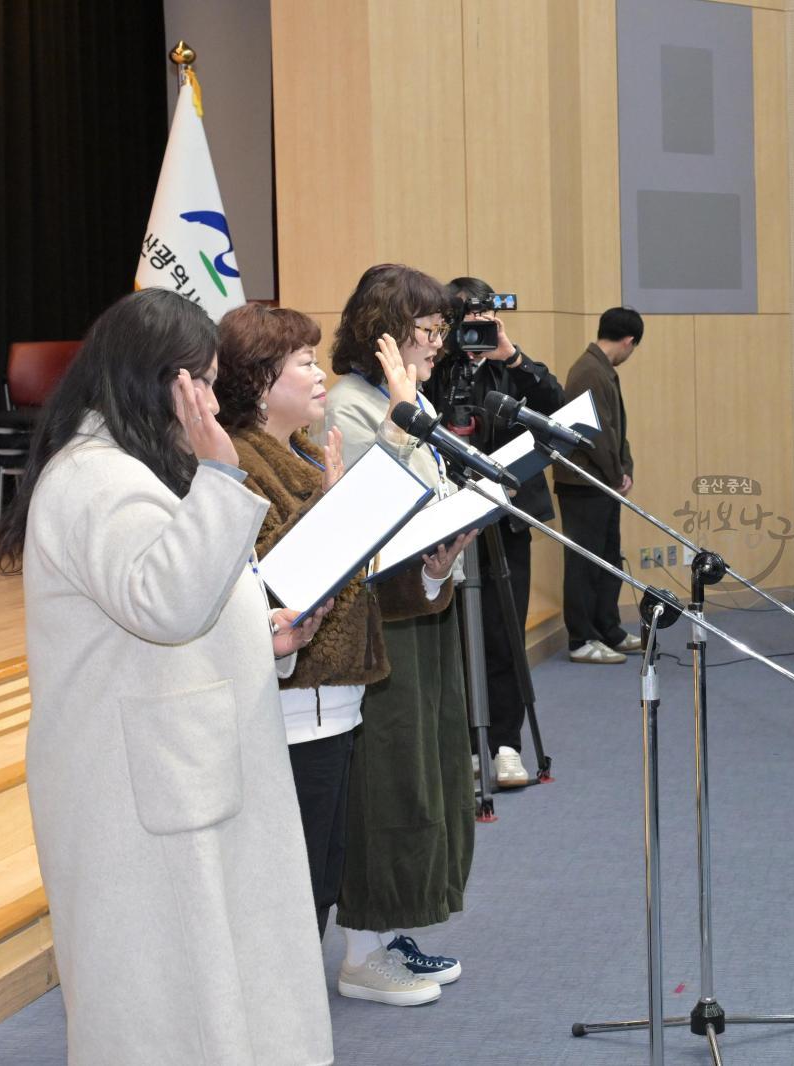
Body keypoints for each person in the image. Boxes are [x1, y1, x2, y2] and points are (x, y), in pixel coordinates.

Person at [0, 289, 334, 1063]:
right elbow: (168, 605)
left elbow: (175, 601)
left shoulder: (128, 468)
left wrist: (265, 637)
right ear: (157, 381)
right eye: (201, 381)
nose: (212, 401)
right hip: (141, 788)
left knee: (208, 983)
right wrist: (220, 477)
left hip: (175, 771)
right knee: (163, 1001)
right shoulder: (93, 479)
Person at [214, 303, 470, 1008]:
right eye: (302, 362)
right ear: (261, 381)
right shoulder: (235, 462)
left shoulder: (299, 451)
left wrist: (432, 572)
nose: (319, 374)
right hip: (289, 705)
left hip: (337, 702)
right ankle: (267, 1012)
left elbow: (355, 583)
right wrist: (346, 501)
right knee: (289, 879)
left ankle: (284, 1006)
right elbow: (275, 577)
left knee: (323, 873)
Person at [323, 264, 478, 1003]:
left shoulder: (397, 402)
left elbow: (434, 499)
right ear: (383, 331)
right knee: (386, 781)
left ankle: (387, 933)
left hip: (418, 607)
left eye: (442, 330)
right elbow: (371, 511)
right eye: (427, 329)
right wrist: (407, 416)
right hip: (373, 624)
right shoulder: (352, 407)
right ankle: (362, 949)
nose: (438, 344)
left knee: (424, 768)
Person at [429, 276, 564, 787]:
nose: (474, 335)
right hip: (448, 521)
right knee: (457, 635)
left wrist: (509, 355)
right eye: (463, 325)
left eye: (481, 324)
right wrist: (446, 357)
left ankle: (506, 745)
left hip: (506, 519)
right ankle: (464, 746)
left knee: (505, 634)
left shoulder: (512, 368)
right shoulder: (436, 372)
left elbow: (556, 402)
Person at [552, 307, 645, 664]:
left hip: (601, 481)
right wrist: (615, 472)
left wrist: (624, 468)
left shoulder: (600, 369)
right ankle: (581, 638)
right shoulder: (589, 371)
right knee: (584, 561)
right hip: (584, 482)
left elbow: (617, 430)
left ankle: (608, 628)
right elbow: (595, 434)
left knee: (607, 559)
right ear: (628, 341)